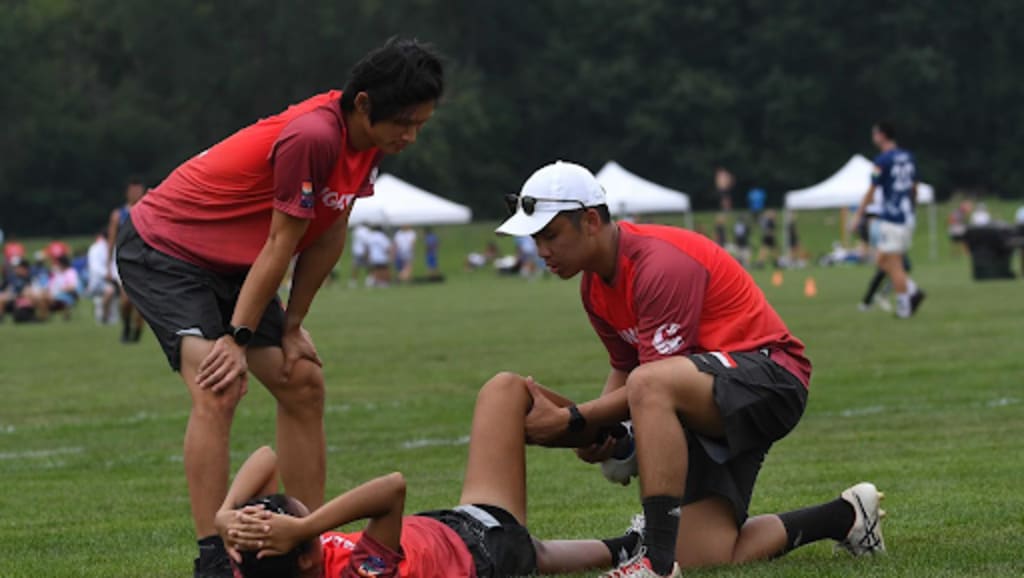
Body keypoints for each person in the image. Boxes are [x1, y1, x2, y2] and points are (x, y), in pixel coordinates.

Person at [114, 38, 444, 578]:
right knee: (219, 385)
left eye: (420, 125)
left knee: (302, 380)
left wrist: (292, 325)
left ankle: (310, 539)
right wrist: (237, 339)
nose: (410, 136)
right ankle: (214, 559)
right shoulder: (313, 136)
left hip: (235, 264)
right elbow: (280, 243)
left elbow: (330, 231)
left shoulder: (370, 145)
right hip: (167, 250)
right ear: (364, 104)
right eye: (404, 123)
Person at [495, 161, 886, 577]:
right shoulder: (593, 286)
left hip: (770, 376)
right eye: (536, 239)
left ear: (591, 220)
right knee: (708, 554)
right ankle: (846, 515)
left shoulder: (658, 263)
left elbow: (650, 382)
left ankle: (656, 563)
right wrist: (598, 433)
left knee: (650, 384)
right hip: (710, 392)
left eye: (550, 235)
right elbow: (625, 368)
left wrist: (576, 419)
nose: (541, 250)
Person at [216, 374, 645, 577]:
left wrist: (225, 516)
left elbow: (266, 458)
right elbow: (391, 488)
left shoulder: (256, 563)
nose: (301, 514)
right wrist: (305, 526)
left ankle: (627, 543)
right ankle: (618, 442)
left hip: (450, 531)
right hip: (484, 546)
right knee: (505, 390)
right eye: (297, 516)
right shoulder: (357, 576)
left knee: (540, 553)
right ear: (305, 556)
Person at [854, 122, 925, 319]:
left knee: (894, 265)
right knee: (882, 260)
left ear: (882, 136)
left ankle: (905, 306)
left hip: (892, 217)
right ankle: (913, 290)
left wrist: (859, 214)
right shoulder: (908, 156)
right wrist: (912, 209)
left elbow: (872, 189)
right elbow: (914, 187)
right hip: (906, 215)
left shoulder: (882, 160)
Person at [107, 179, 148, 341]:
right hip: (125, 261)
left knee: (142, 303)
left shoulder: (149, 211)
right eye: (133, 191)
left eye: (138, 191)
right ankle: (126, 326)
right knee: (126, 300)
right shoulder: (118, 215)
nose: (136, 194)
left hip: (144, 262)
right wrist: (108, 264)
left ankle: (137, 331)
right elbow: (111, 240)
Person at [85, 231, 117, 324]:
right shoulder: (95, 249)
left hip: (111, 280)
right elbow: (95, 267)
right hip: (98, 282)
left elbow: (114, 265)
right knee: (109, 290)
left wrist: (115, 277)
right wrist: (108, 275)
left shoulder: (113, 248)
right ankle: (104, 315)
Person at [348, 223, 371, 288]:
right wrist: (367, 252)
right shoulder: (366, 231)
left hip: (356, 251)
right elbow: (366, 242)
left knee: (355, 267)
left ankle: (353, 282)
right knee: (368, 267)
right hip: (363, 251)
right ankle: (368, 281)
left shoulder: (355, 231)